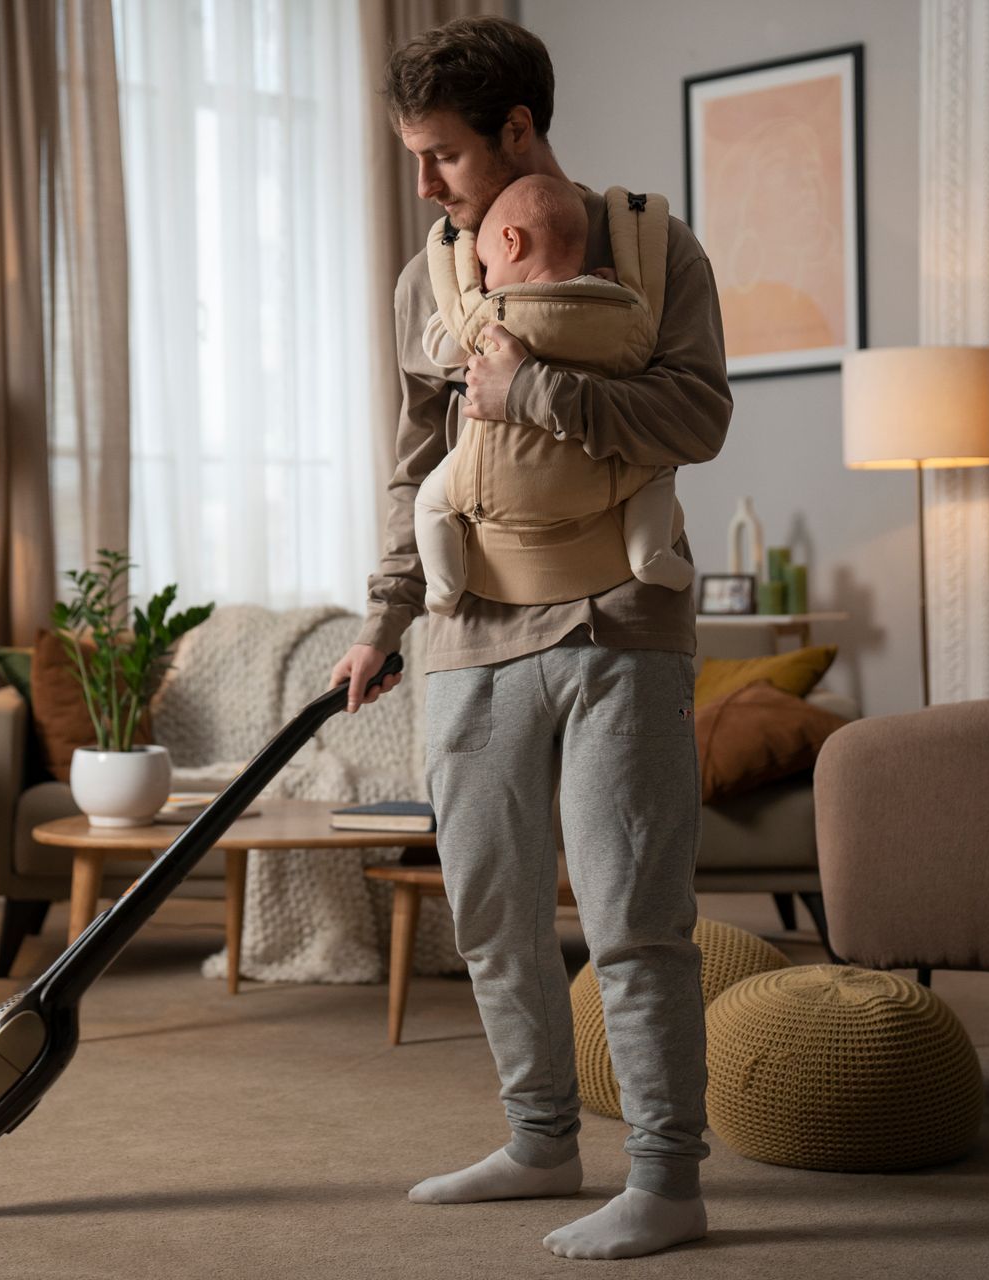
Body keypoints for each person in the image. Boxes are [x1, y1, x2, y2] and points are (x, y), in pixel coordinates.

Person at [328, 14, 732, 1262]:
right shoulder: (424, 282)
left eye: (442, 155)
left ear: (517, 129)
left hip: (620, 618)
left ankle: (666, 1180)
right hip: (468, 629)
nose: (425, 186)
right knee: (493, 910)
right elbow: (413, 470)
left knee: (632, 913)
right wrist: (386, 612)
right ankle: (539, 1137)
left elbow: (698, 415)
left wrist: (529, 389)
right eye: (413, 158)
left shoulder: (657, 250)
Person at [413, 171, 692, 616]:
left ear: (511, 242)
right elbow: (644, 356)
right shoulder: (617, 306)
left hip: (494, 487)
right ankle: (650, 555)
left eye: (486, 264)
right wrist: (608, 285)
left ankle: (444, 589)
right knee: (658, 469)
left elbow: (438, 345)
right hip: (602, 483)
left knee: (430, 502)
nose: (486, 276)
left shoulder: (486, 317)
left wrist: (467, 303)